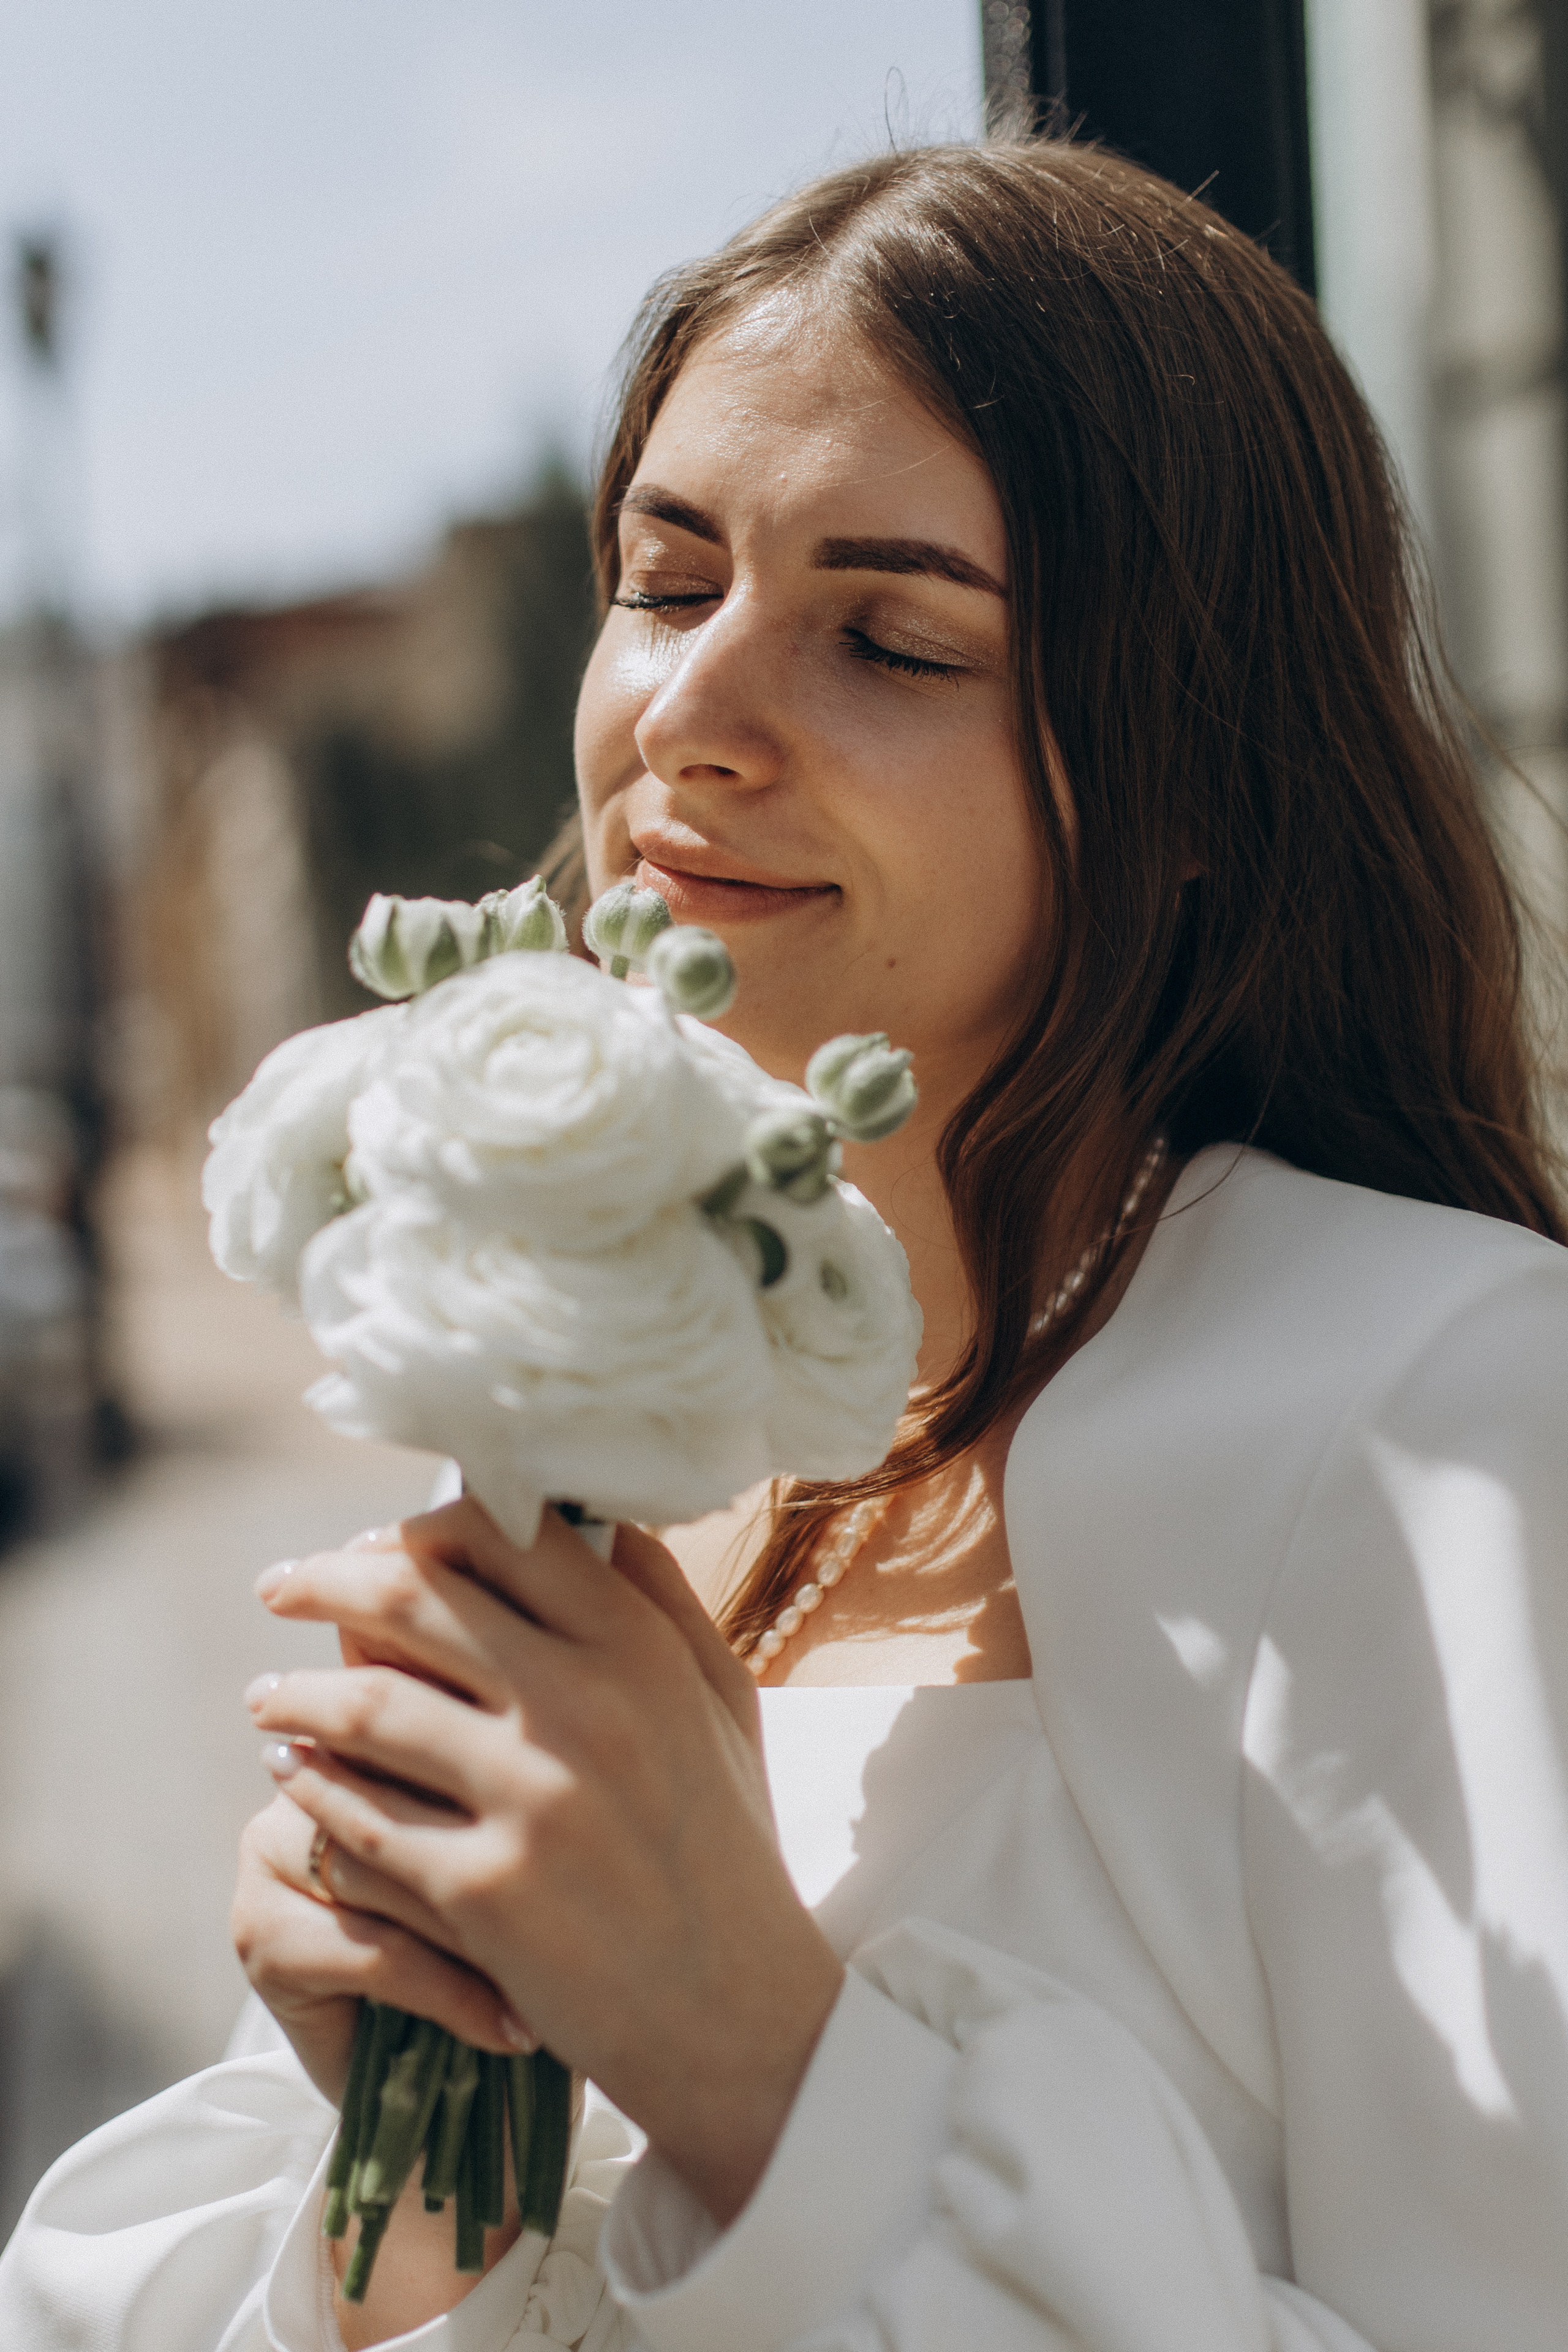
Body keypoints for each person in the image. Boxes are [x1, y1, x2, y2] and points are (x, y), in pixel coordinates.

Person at [4, 135, 1567, 2352]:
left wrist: (751, 2054)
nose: (691, 722)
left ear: (1195, 772)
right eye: (666, 583)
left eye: (891, 636)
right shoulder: (615, 1419)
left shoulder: (1449, 1410)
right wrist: (407, 2187)